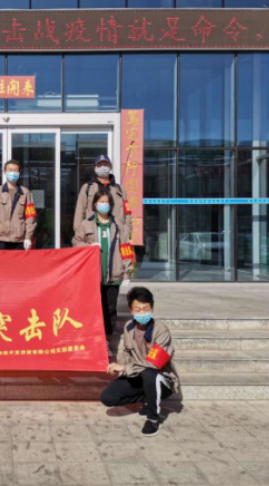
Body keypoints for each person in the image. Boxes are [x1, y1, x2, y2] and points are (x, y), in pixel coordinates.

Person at [100, 287, 180, 438]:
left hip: (161, 379)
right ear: (131, 310)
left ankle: (153, 419)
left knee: (150, 373)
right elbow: (126, 352)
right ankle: (148, 399)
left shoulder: (161, 330)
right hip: (137, 375)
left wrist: (125, 367)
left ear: (152, 308)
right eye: (138, 309)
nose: (142, 313)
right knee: (108, 397)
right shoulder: (129, 327)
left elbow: (154, 364)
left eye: (146, 309)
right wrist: (122, 369)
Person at [73, 191, 135, 340]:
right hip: (93, 275)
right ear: (95, 205)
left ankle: (109, 338)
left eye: (106, 202)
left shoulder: (118, 225)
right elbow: (75, 242)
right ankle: (95, 338)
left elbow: (125, 249)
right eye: (101, 202)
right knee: (93, 307)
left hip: (114, 274)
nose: (104, 205)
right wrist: (88, 246)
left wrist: (127, 272)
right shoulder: (86, 224)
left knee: (110, 308)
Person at [74, 155, 132, 241]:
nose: (103, 167)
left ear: (110, 167)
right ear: (95, 168)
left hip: (116, 234)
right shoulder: (87, 188)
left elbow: (127, 212)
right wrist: (79, 232)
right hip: (93, 234)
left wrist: (127, 231)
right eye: (100, 165)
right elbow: (79, 212)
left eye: (105, 165)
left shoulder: (120, 189)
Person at [0, 160, 37, 251]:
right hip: (0, 240)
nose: (12, 172)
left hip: (20, 241)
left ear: (19, 172)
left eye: (15, 170)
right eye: (10, 170)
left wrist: (28, 237)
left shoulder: (26, 193)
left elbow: (30, 218)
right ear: (5, 172)